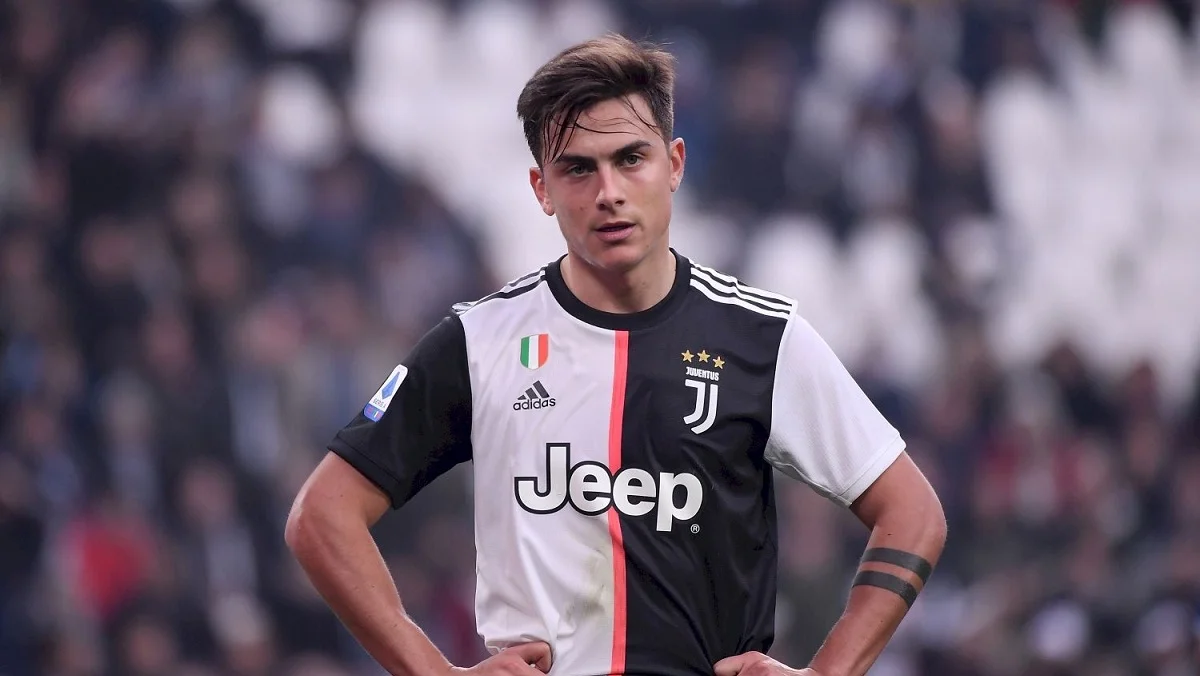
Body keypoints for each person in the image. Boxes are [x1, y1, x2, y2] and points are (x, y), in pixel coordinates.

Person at [285, 33, 947, 676]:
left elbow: (913, 513)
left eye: (631, 158)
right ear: (542, 189)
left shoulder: (763, 338)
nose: (609, 192)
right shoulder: (481, 341)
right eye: (578, 168)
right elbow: (321, 516)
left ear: (675, 164)